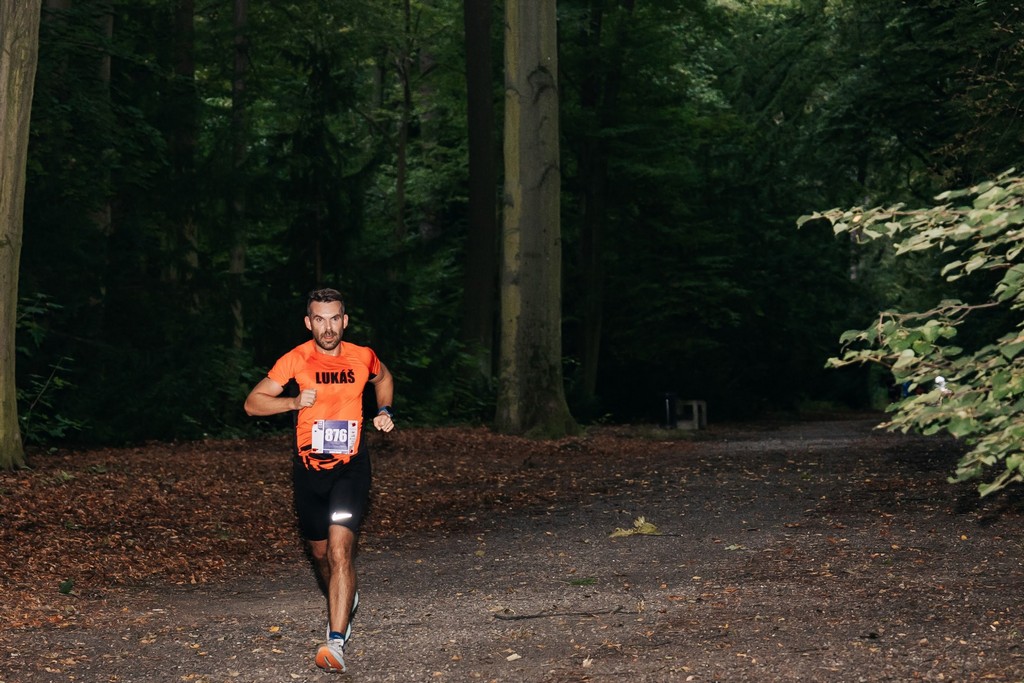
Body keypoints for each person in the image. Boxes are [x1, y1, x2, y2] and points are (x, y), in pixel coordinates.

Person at [244, 287, 395, 673]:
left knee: (341, 551)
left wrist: (384, 410)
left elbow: (383, 378)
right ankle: (346, 594)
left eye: (334, 319)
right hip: (308, 471)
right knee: (321, 554)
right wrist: (293, 402)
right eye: (319, 319)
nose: (328, 328)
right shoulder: (295, 359)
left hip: (350, 468)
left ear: (345, 321)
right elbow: (253, 403)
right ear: (308, 322)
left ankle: (335, 641)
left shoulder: (362, 356)